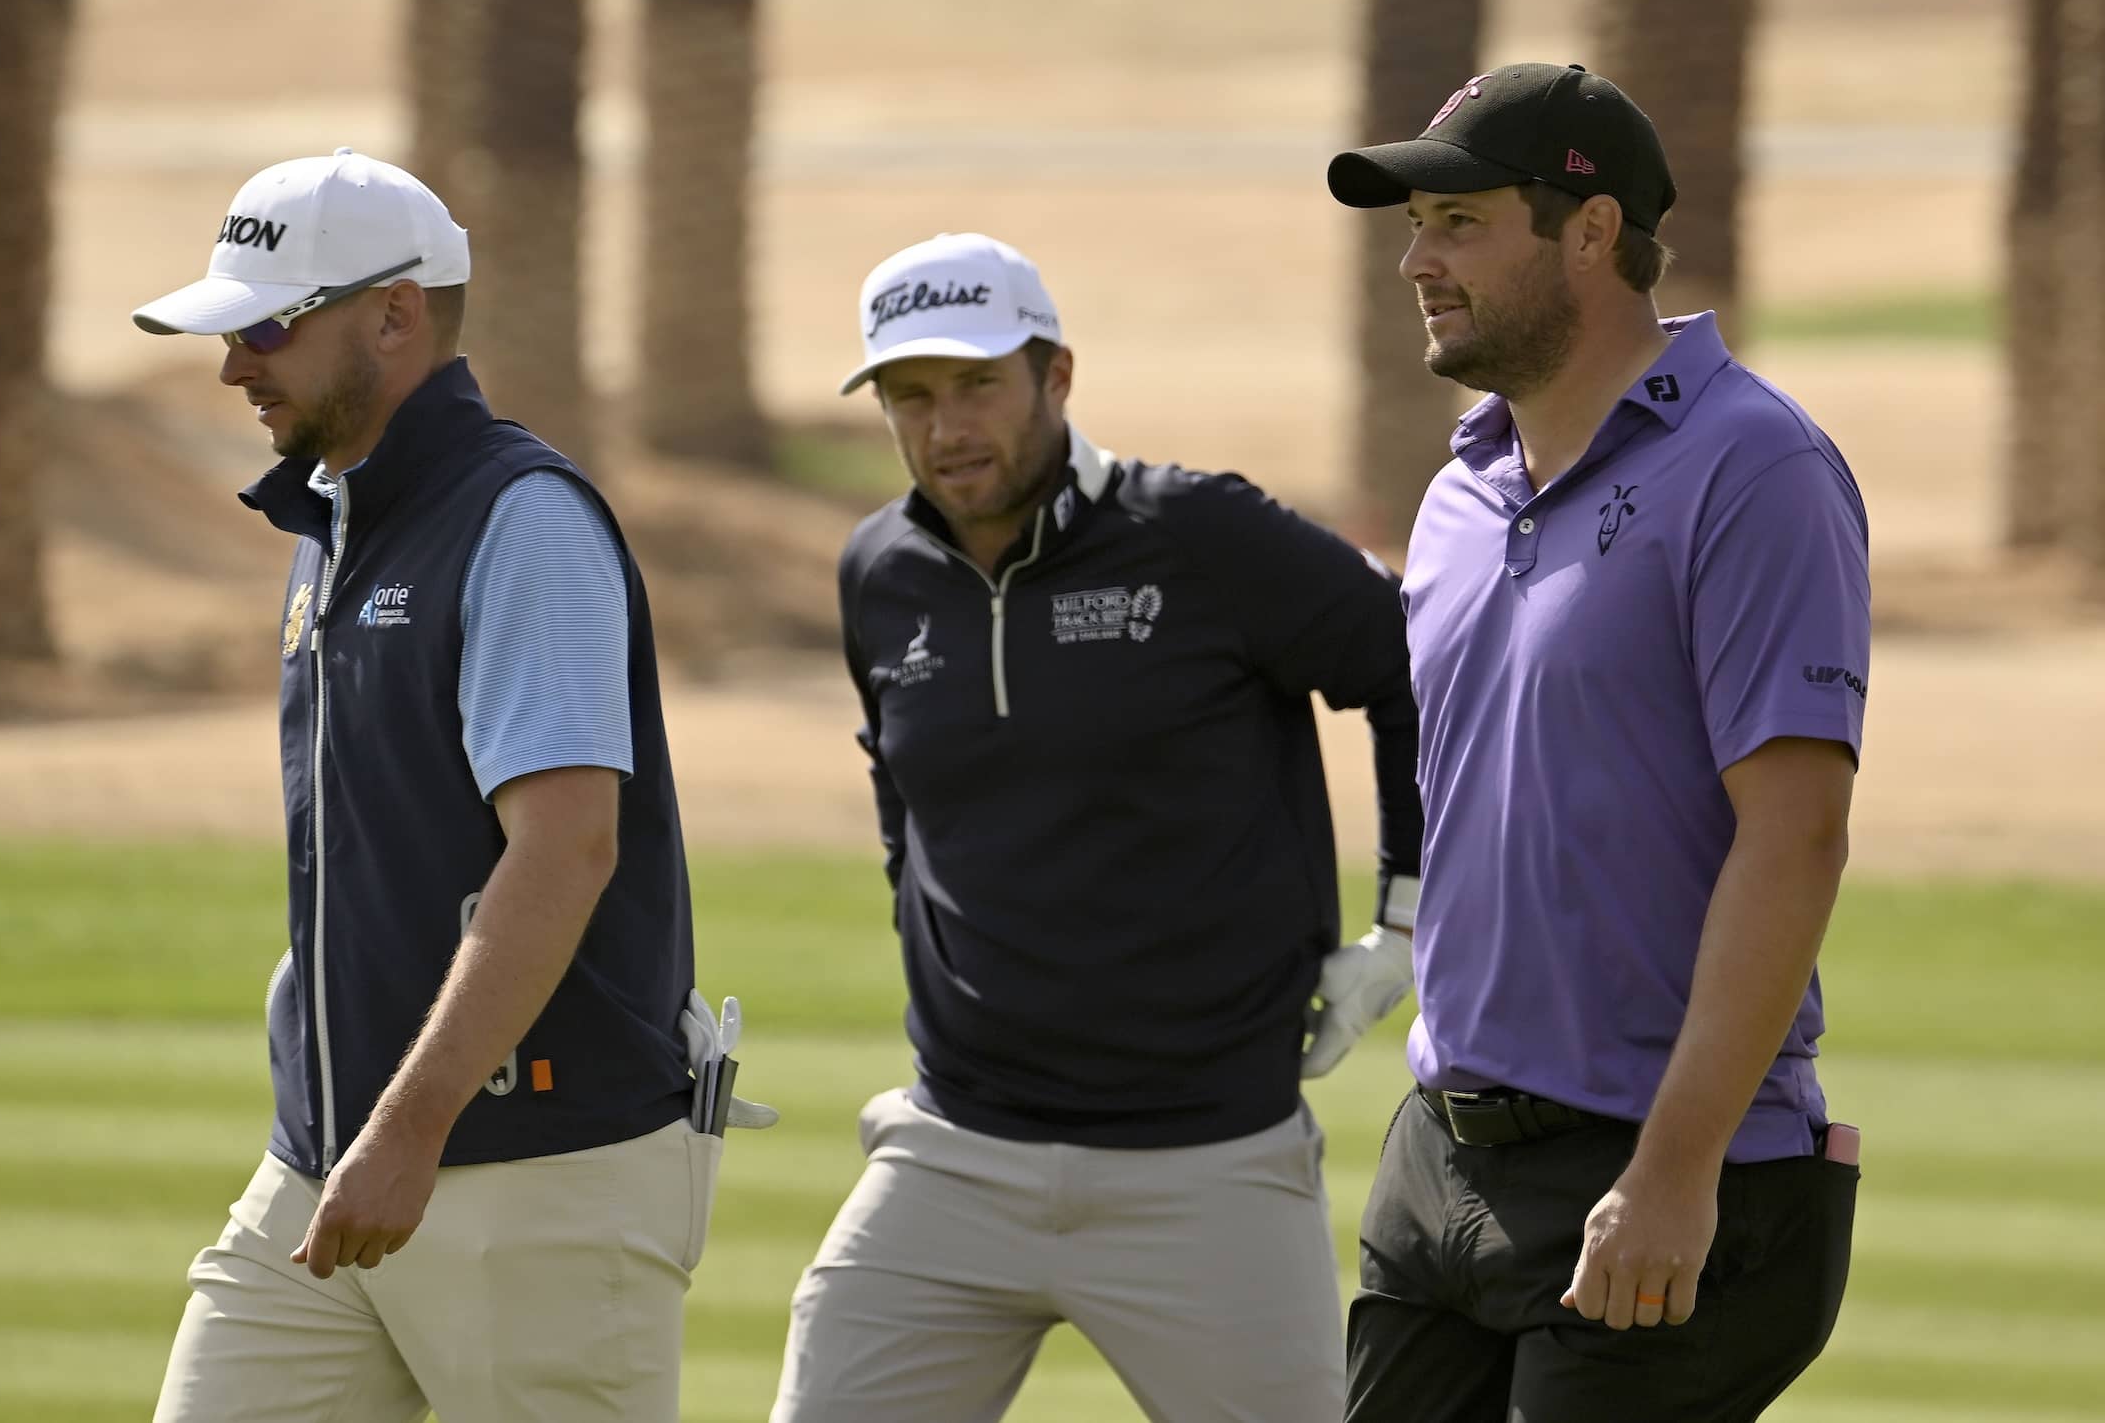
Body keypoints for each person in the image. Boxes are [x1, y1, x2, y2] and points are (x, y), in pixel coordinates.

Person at [131, 148, 770, 1423]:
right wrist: (359, 1134)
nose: (232, 365)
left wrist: (408, 1129)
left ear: (395, 312)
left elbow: (565, 849)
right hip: (329, 1166)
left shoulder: (519, 519)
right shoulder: (332, 524)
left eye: (265, 327)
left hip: (537, 1179)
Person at [770, 232, 1424, 1423]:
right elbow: (899, 793)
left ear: (1056, 376)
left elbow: (1413, 665)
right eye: (911, 397)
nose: (946, 425)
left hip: (1209, 1166)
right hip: (956, 1152)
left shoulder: (1201, 536)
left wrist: (1407, 920)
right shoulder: (879, 573)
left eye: (978, 385)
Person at [1325, 63, 1869, 1421]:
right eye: (1414, 227)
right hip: (1440, 1154)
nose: (1416, 261)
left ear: (1586, 229)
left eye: (1458, 222)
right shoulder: (1461, 489)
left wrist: (1677, 1168)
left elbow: (1795, 832)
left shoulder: (1756, 468)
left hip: (1665, 1169)